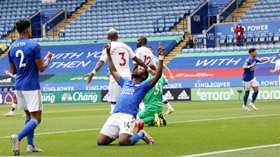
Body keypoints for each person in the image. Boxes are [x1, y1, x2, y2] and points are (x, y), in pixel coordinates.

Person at [97, 42, 165, 146]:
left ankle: (141, 134)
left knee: (123, 142)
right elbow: (113, 70)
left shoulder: (144, 86)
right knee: (101, 142)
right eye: (138, 67)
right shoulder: (125, 82)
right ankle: (119, 133)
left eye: (141, 69)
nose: (138, 68)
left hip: (128, 116)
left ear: (143, 76)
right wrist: (108, 53)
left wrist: (161, 57)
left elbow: (158, 75)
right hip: (115, 115)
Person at [8, 19, 53, 155]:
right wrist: (49, 58)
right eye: (31, 29)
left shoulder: (11, 47)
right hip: (31, 86)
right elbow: (42, 68)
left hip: (19, 85)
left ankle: (31, 145)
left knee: (28, 115)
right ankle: (18, 137)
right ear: (28, 30)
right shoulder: (33, 45)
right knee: (36, 118)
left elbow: (13, 71)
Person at [86, 29, 147, 114]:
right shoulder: (126, 46)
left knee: (114, 102)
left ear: (108, 37)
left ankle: (113, 120)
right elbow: (138, 60)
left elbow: (101, 62)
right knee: (129, 100)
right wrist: (147, 68)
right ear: (117, 36)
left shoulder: (108, 47)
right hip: (127, 77)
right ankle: (137, 120)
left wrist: (92, 73)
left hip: (116, 77)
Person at [146, 46, 175, 114]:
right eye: (148, 50)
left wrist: (170, 74)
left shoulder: (154, 58)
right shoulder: (147, 59)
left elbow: (164, 65)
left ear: (152, 51)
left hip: (158, 76)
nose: (149, 51)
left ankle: (146, 109)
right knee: (157, 93)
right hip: (153, 76)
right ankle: (169, 108)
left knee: (155, 93)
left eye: (150, 50)